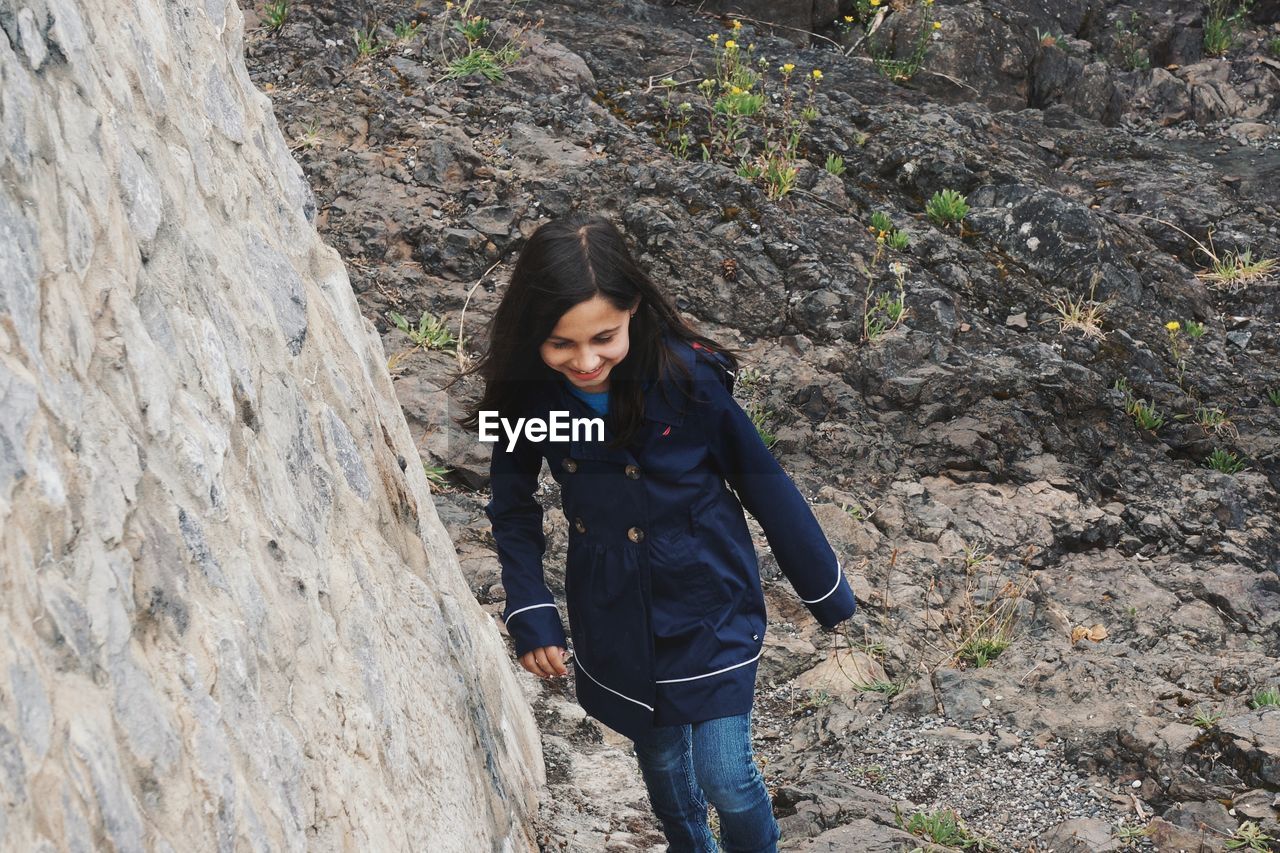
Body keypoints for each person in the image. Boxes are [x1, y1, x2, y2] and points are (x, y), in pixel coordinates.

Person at [458, 213, 857, 853]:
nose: (585, 361)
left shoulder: (687, 381)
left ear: (634, 311)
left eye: (604, 338)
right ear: (533, 334)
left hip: (708, 598)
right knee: (668, 775)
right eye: (561, 344)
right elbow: (514, 507)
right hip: (610, 604)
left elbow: (763, 483)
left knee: (725, 777)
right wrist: (530, 611)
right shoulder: (528, 401)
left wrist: (824, 588)